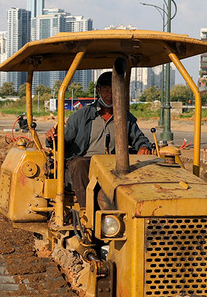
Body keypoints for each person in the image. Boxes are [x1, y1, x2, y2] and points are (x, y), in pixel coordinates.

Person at [62, 71, 154, 204]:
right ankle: (86, 211)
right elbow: (63, 140)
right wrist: (53, 137)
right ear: (98, 90)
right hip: (87, 160)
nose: (110, 95)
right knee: (78, 164)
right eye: (106, 90)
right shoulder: (81, 116)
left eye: (114, 91)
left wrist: (144, 146)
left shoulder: (125, 117)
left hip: (114, 161)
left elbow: (139, 138)